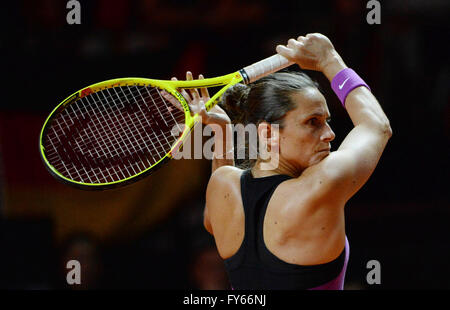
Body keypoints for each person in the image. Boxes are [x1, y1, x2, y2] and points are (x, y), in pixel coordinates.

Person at [176, 33, 392, 289]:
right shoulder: (322, 182)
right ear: (267, 133)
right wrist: (330, 60)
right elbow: (377, 126)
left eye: (327, 121)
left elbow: (213, 221)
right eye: (312, 122)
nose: (329, 134)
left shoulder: (221, 185)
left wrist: (221, 132)